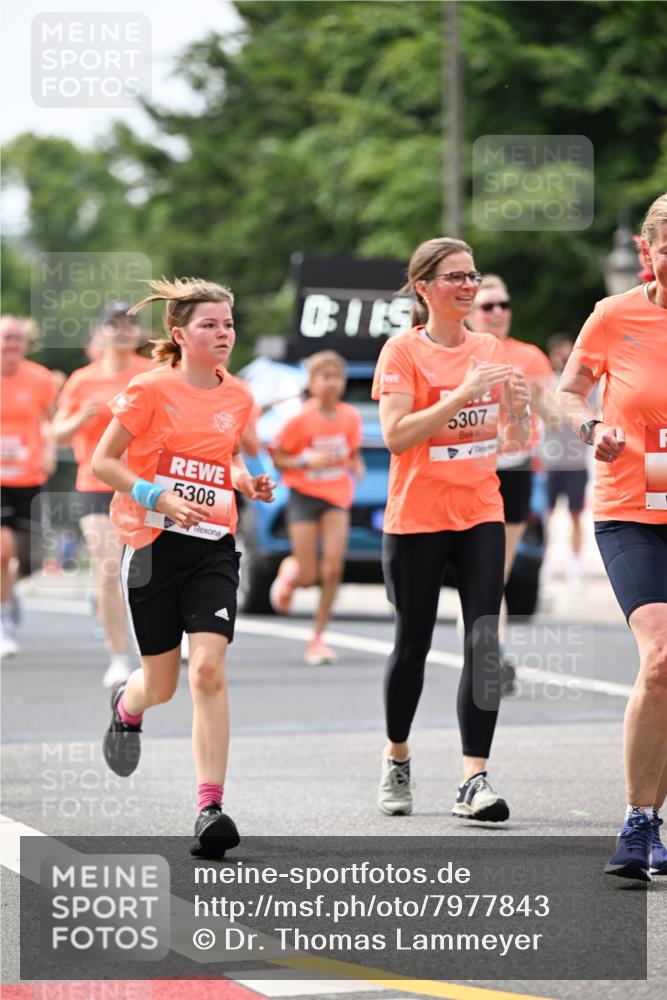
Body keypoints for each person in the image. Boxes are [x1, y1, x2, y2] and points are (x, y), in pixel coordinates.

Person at [91, 277, 274, 859]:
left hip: (212, 545)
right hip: (151, 546)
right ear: (179, 333)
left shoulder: (238, 395)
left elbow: (231, 454)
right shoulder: (148, 390)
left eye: (228, 324)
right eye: (209, 325)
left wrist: (245, 481)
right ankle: (128, 707)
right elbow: (102, 462)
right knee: (162, 685)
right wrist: (158, 497)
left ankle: (209, 808)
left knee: (209, 670)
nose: (224, 334)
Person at [372, 237, 530, 821]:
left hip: (480, 511)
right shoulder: (402, 352)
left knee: (484, 642)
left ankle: (473, 778)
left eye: (472, 276)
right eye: (455, 277)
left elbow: (511, 441)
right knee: (412, 644)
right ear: (424, 288)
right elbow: (396, 436)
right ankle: (397, 755)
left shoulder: (489, 348)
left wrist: (518, 409)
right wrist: (460, 394)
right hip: (417, 517)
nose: (468, 286)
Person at [558, 192, 667, 881]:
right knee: (660, 655)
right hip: (632, 508)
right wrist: (592, 429)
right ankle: (638, 820)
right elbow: (568, 391)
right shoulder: (613, 315)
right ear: (646, 252)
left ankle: (650, 818)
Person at [52, 304, 154, 687]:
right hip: (95, 484)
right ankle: (118, 656)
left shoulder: (153, 375)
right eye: (114, 324)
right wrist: (81, 418)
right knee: (110, 567)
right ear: (101, 332)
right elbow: (57, 433)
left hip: (144, 484)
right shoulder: (83, 380)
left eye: (130, 324)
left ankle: (161, 642)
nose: (123, 330)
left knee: (149, 571)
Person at [269, 351, 365, 665]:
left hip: (337, 496)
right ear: (311, 382)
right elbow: (278, 457)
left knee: (333, 568)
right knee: (310, 576)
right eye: (325, 377)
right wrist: (304, 460)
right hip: (304, 495)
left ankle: (318, 638)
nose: (332, 383)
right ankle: (292, 571)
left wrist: (357, 464)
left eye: (337, 377)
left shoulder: (351, 416)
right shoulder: (299, 419)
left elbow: (352, 451)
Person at [0, 315, 59, 658]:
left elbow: (52, 421)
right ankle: (4, 621)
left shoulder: (40, 379)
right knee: (2, 551)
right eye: (5, 338)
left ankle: (9, 590)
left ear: (25, 343)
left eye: (16, 338)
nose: (10, 345)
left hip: (30, 476)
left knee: (29, 559)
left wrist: (50, 449)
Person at [542, 333, 591, 583]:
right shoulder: (545, 384)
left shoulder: (584, 386)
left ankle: (575, 566)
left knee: (576, 516)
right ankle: (543, 563)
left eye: (567, 353)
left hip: (576, 463)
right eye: (559, 353)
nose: (563, 357)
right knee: (545, 516)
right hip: (550, 463)